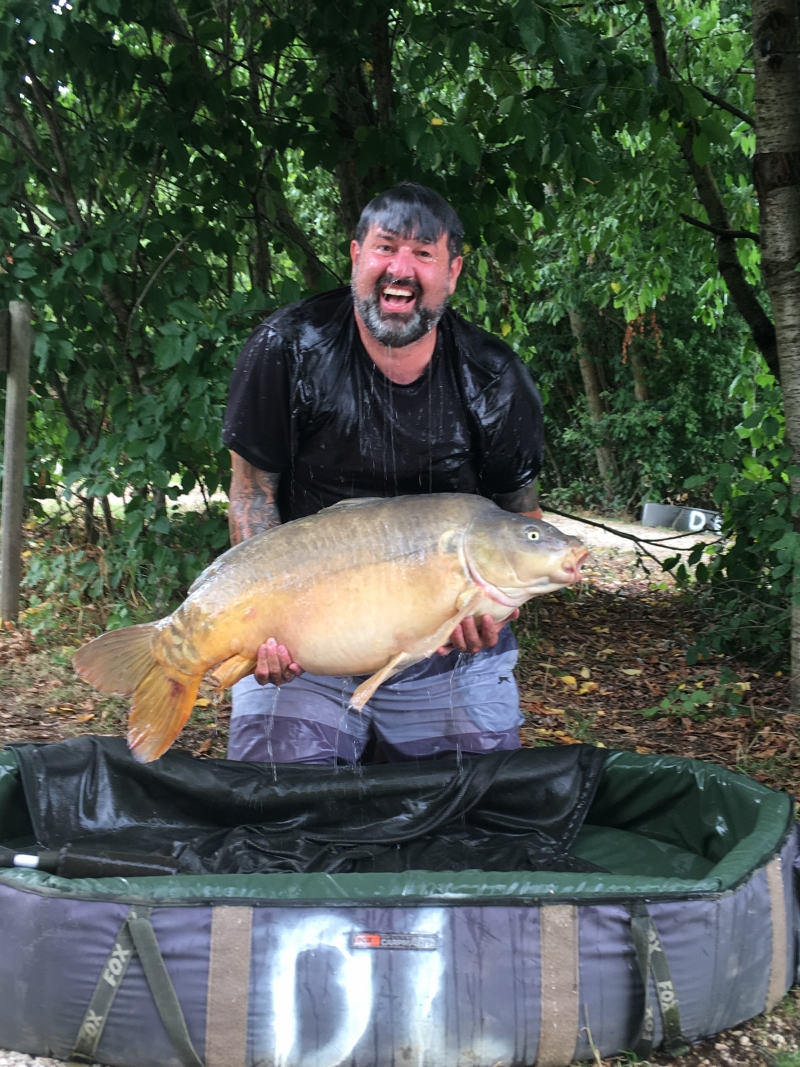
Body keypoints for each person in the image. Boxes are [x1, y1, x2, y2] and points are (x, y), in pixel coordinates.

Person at [222, 182, 544, 765]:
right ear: (355, 257)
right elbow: (251, 495)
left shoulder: (495, 377)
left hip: (447, 647)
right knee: (275, 808)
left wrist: (497, 606)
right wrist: (264, 626)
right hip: (306, 644)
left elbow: (521, 517)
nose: (401, 267)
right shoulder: (287, 349)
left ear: (453, 272)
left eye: (424, 254)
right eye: (386, 247)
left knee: (475, 812)